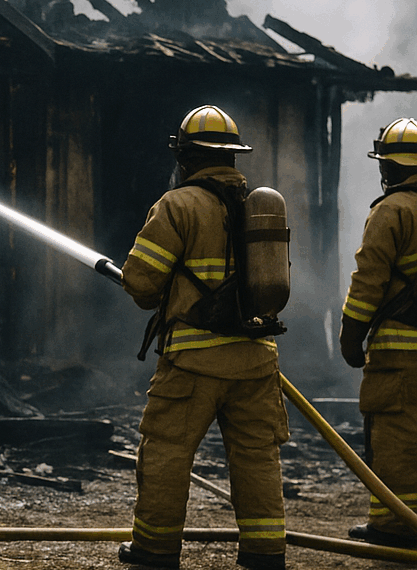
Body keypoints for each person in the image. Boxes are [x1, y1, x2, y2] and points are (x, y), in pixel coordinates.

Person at [118, 105, 289, 569]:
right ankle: (265, 551)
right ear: (233, 157)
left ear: (185, 157)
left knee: (167, 454)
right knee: (257, 459)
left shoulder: (177, 205)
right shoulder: (259, 204)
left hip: (194, 363)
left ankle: (154, 549)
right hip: (257, 360)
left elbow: (140, 284)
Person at [340, 117, 417, 548]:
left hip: (401, 357)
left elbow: (368, 282)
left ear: (388, 167)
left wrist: (351, 338)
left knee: (395, 439)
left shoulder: (393, 210)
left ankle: (394, 525)